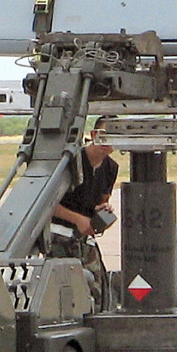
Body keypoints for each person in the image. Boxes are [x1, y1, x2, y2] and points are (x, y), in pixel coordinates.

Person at [50, 116, 118, 310]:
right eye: (105, 136)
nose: (108, 143)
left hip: (84, 237)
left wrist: (102, 211)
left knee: (97, 287)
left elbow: (102, 200)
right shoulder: (72, 161)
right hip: (59, 235)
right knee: (64, 287)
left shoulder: (110, 168)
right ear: (94, 135)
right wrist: (78, 219)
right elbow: (48, 204)